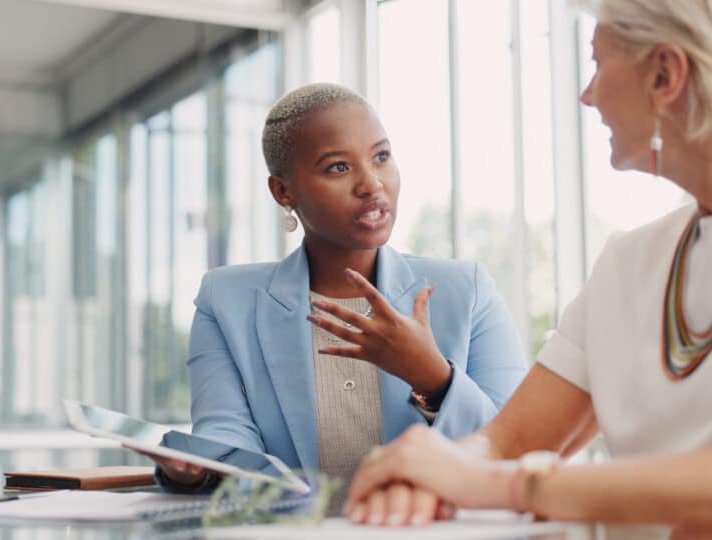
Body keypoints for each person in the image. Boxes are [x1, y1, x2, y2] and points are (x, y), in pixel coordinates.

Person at [337, 0, 712, 535]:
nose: (587, 95)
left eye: (597, 63)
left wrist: (510, 486)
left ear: (665, 74)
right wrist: (427, 475)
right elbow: (508, 442)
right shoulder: (629, 261)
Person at [142, 83, 529, 502]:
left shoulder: (466, 290)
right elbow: (228, 439)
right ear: (283, 191)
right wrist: (195, 473)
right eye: (338, 168)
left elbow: (516, 449)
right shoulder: (226, 301)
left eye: (381, 156)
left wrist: (433, 377)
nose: (371, 184)